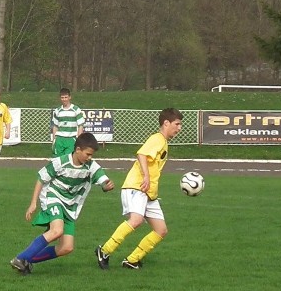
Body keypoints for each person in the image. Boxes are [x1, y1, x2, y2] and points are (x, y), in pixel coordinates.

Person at [10, 132, 114, 275]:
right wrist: (33, 202)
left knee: (66, 247)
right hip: (54, 197)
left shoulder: (91, 166)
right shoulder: (60, 162)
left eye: (91, 155)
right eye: (88, 154)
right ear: (78, 150)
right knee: (56, 231)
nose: (90, 158)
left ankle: (26, 261)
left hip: (71, 206)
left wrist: (106, 186)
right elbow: (41, 178)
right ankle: (20, 258)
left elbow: (103, 180)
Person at [95, 108, 182, 270]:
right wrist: (147, 177)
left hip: (149, 192)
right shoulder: (157, 138)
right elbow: (141, 154)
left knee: (161, 230)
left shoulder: (163, 142)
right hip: (138, 186)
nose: (179, 128)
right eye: (177, 124)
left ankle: (132, 260)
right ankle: (104, 251)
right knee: (136, 220)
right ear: (166, 123)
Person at [51, 87, 85, 157]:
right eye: (62, 97)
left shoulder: (76, 110)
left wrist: (79, 139)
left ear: (70, 97)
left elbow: (80, 126)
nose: (64, 99)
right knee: (57, 161)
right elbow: (55, 126)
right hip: (59, 139)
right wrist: (54, 139)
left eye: (66, 97)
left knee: (68, 160)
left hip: (71, 139)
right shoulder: (57, 110)